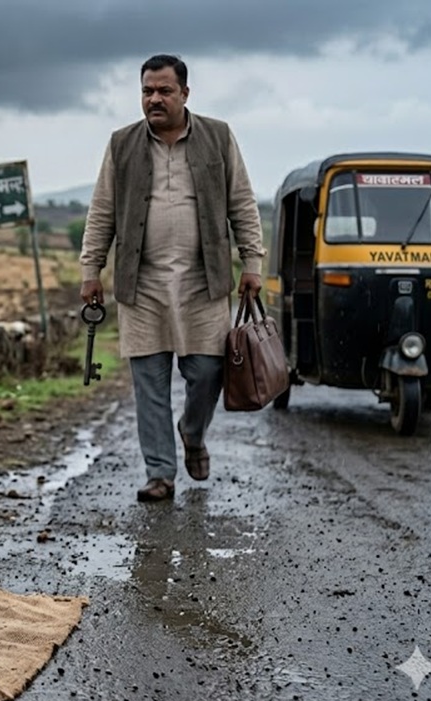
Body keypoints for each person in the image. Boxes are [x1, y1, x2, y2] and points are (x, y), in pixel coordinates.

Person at [78, 54, 265, 503]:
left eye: (164, 91)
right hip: (141, 287)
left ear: (185, 93)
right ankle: (160, 474)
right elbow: (102, 210)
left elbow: (242, 202)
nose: (154, 99)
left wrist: (253, 263)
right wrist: (91, 269)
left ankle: (193, 432)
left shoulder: (217, 137)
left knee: (207, 373)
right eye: (147, 91)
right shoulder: (121, 144)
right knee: (150, 385)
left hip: (204, 284)